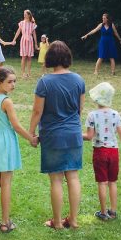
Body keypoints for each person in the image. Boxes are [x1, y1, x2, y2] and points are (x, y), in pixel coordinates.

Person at [29, 41, 85, 229]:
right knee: (73, 177)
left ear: (50, 58)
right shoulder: (79, 80)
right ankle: (74, 220)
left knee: (56, 179)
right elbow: (79, 111)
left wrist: (31, 133)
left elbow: (37, 112)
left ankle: (58, 222)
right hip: (73, 134)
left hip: (53, 135)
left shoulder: (45, 82)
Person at [0, 67, 38, 234]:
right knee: (6, 183)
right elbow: (16, 126)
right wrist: (31, 138)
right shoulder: (6, 101)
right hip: (5, 142)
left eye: (14, 81)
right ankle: (5, 222)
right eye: (9, 81)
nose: (13, 85)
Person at [82, 82, 121, 221]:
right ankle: (113, 211)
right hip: (114, 152)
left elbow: (89, 136)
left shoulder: (92, 115)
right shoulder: (116, 114)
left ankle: (103, 212)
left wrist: (75, 134)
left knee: (102, 182)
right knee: (112, 182)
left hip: (100, 152)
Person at [11, 9, 37, 79]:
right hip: (23, 40)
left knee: (29, 58)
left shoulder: (32, 24)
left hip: (30, 40)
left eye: (25, 14)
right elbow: (18, 32)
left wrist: (36, 44)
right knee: (23, 57)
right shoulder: (21, 23)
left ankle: (28, 73)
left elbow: (34, 34)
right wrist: (14, 40)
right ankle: (23, 73)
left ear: (29, 15)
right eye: (24, 14)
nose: (24, 15)